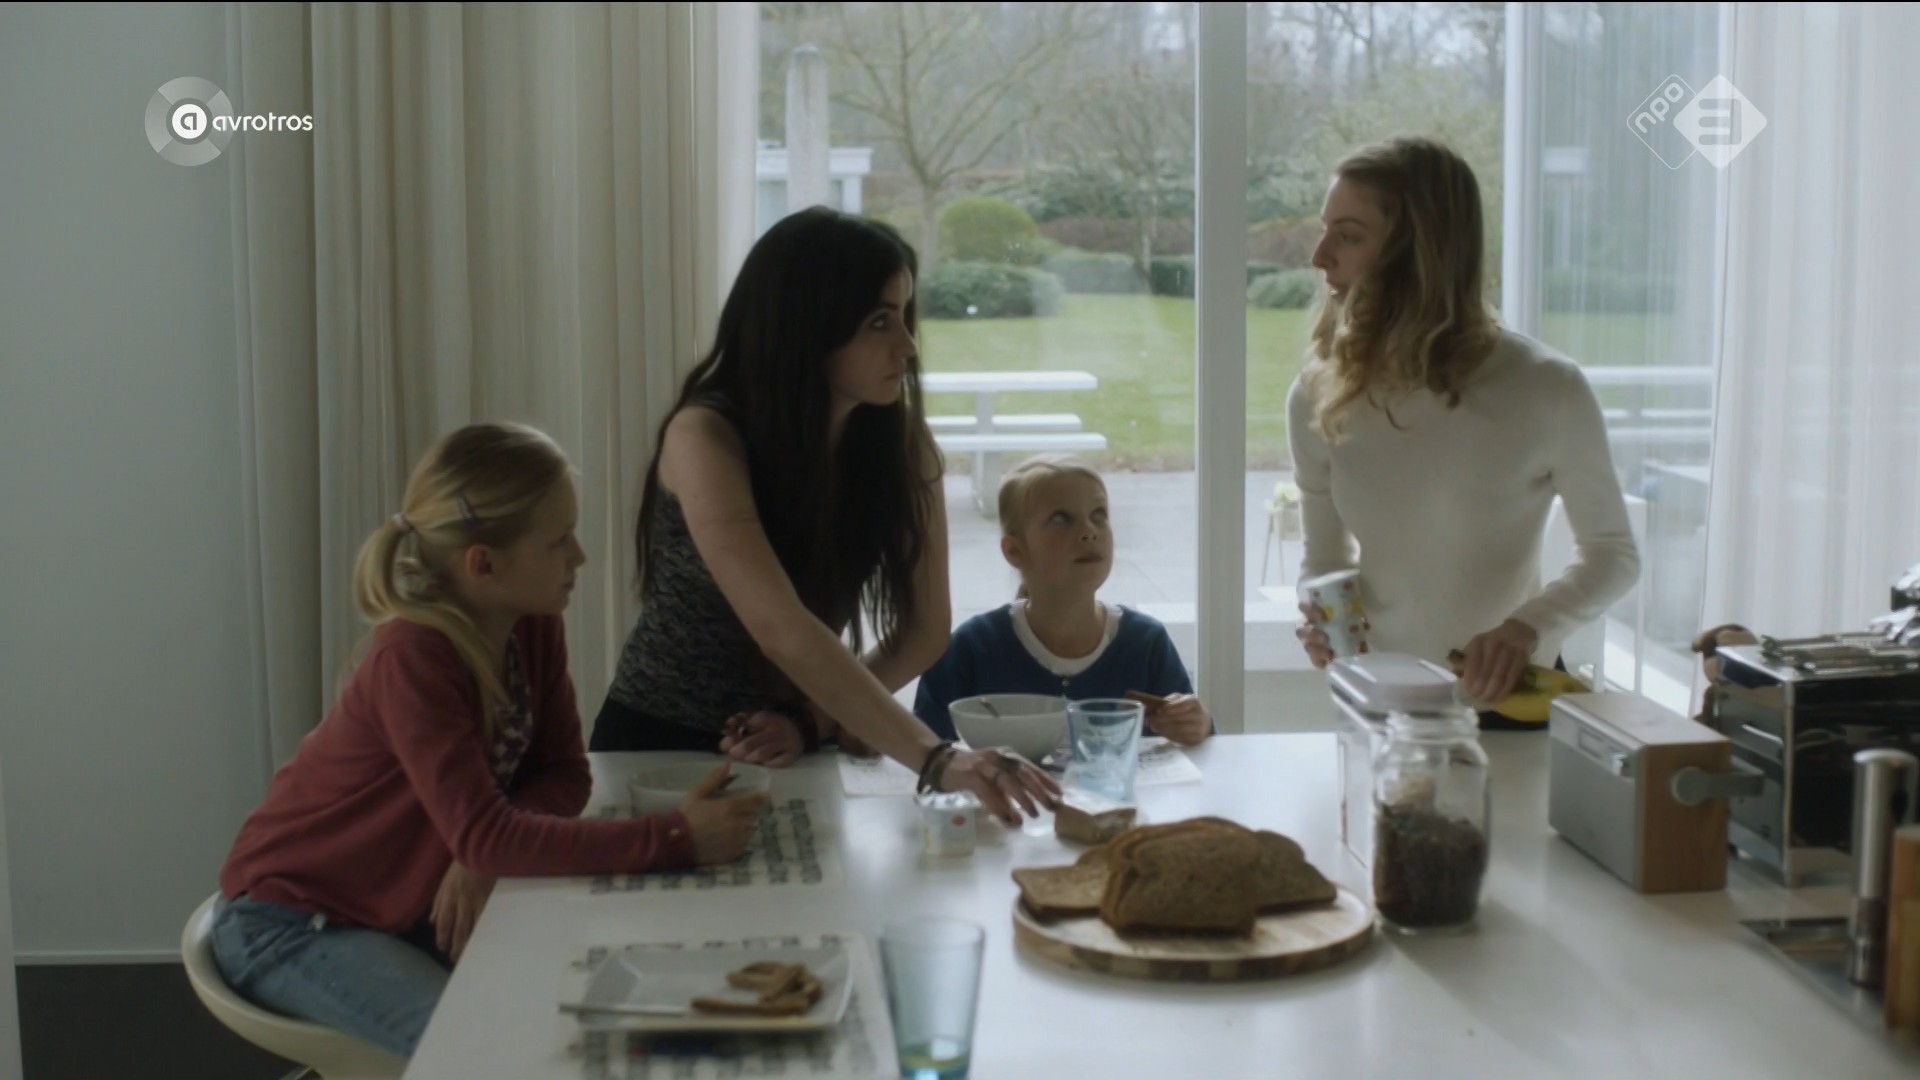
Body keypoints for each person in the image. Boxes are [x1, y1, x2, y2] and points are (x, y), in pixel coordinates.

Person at [210, 423, 768, 1058]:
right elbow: (488, 833)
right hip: (293, 921)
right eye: (558, 541)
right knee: (485, 1050)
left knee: (581, 1007)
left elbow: (564, 772)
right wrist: (676, 837)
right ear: (484, 564)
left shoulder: (530, 624)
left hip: (398, 909)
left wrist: (482, 850)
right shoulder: (413, 658)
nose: (579, 557)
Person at [591, 207, 1060, 823]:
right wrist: (937, 759)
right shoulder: (704, 435)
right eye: (879, 322)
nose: (907, 346)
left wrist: (811, 721)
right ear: (806, 328)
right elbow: (779, 626)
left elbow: (925, 631)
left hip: (792, 751)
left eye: (905, 316)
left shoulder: (903, 449)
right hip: (656, 750)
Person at [1285, 137, 1640, 722]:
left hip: (1510, 709)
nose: (1320, 256)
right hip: (1379, 709)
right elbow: (1323, 559)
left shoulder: (1546, 387)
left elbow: (1613, 554)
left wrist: (1529, 627)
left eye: (1347, 235)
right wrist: (1324, 618)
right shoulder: (1315, 397)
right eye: (1326, 231)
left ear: (1417, 251)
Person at [913, 455, 1211, 746]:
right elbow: (923, 754)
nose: (1088, 532)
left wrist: (1198, 724)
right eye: (1060, 519)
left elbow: (1203, 750)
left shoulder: (1145, 643)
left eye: (1098, 515)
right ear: (1014, 550)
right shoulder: (971, 649)